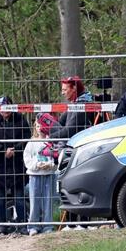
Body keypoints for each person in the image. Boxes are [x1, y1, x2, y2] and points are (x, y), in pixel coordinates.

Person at [51, 76, 93, 230]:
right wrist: (47, 125)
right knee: (69, 185)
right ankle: (72, 222)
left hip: (81, 151)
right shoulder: (73, 104)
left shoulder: (82, 105)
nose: (63, 93)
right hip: (71, 151)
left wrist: (52, 136)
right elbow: (60, 124)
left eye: (65, 89)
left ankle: (82, 223)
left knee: (80, 185)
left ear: (74, 88)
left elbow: (70, 129)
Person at [0, 100, 31, 235]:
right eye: (2, 107)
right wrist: (3, 150)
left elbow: (27, 138)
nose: (5, 110)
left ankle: (22, 225)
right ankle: (1, 226)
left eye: (7, 107)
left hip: (17, 165)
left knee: (19, 196)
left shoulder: (21, 120)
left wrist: (15, 150)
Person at [24, 113, 59, 236]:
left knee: (48, 201)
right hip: (35, 176)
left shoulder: (51, 141)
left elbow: (56, 156)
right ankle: (33, 226)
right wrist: (36, 165)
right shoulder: (31, 143)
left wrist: (51, 165)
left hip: (48, 175)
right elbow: (27, 158)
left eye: (42, 125)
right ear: (35, 127)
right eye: (37, 126)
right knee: (35, 202)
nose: (40, 128)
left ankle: (47, 226)